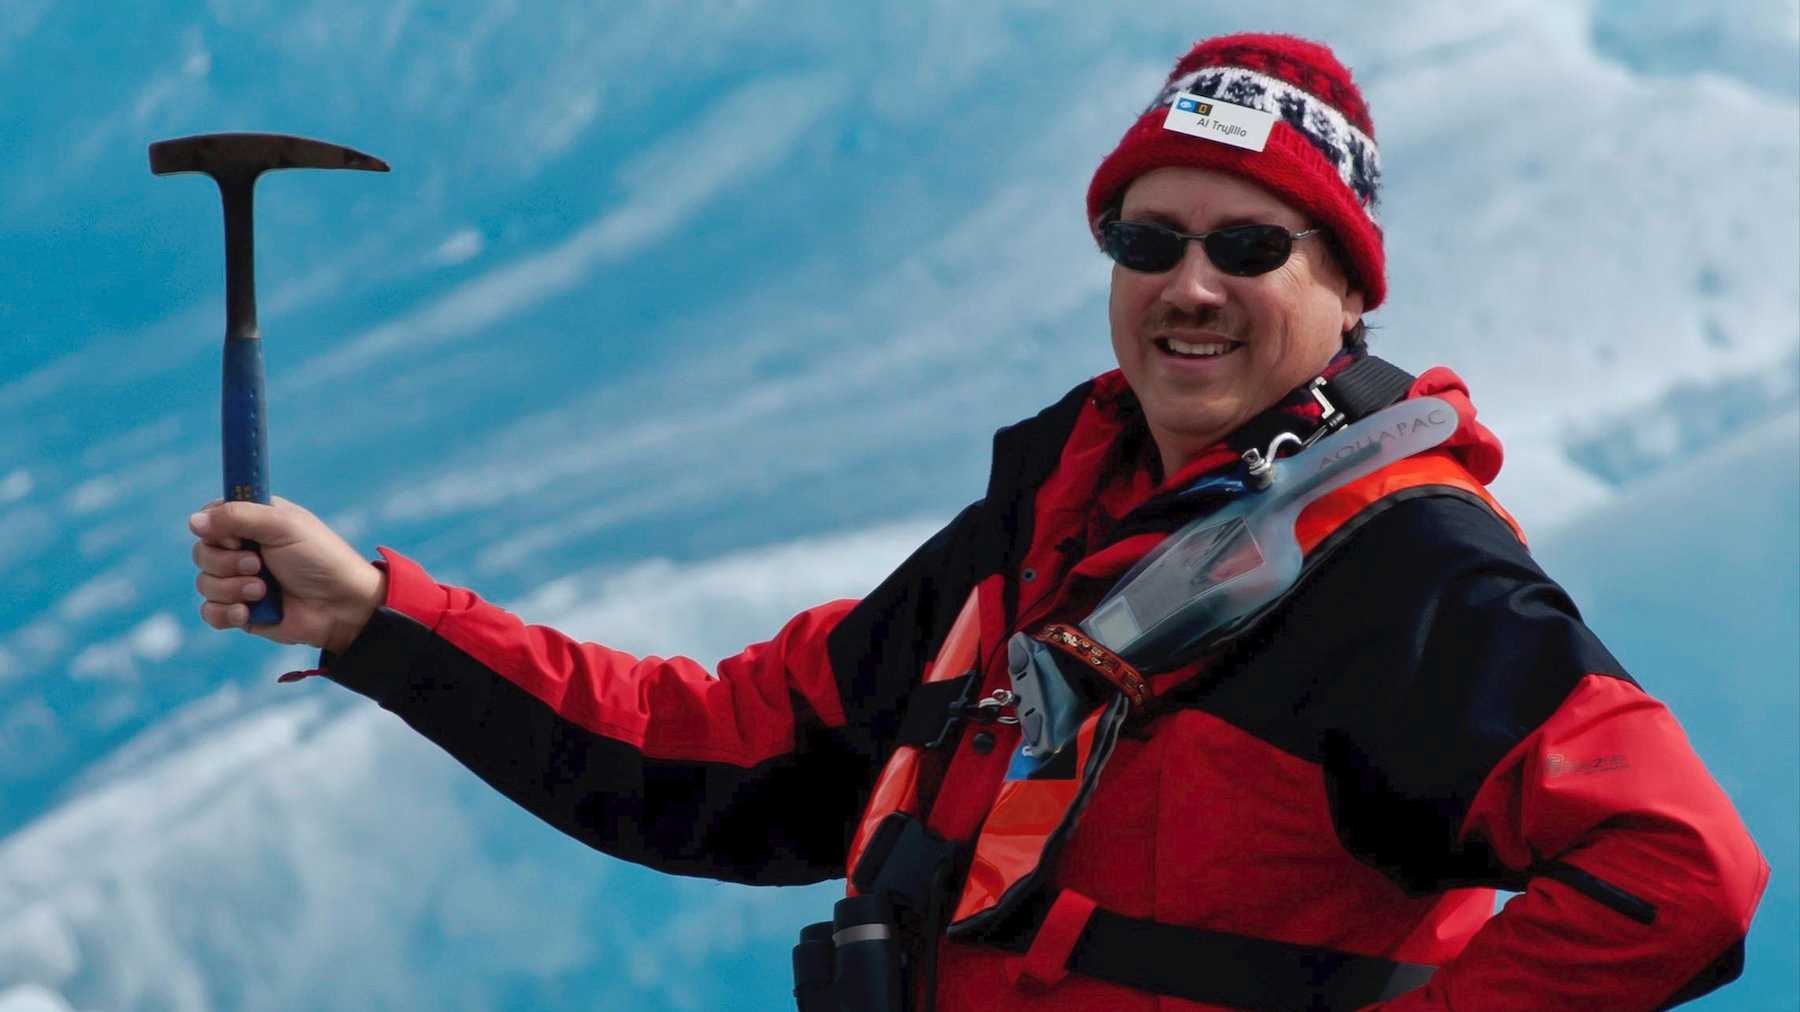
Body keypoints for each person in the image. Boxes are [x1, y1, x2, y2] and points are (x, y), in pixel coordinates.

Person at [188, 33, 1766, 1011]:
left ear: (1349, 291)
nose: (1192, 283)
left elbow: (1681, 870)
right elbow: (715, 754)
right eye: (1150, 235)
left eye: (1253, 244)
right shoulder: (1037, 539)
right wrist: (370, 618)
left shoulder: (1411, 575)